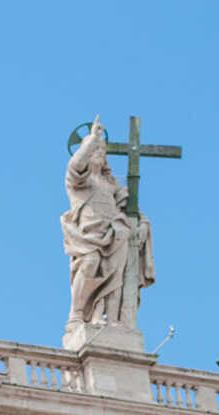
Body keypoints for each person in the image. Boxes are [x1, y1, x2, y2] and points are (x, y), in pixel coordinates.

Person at [61, 120, 153, 333]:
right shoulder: (78, 181)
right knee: (90, 263)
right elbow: (75, 166)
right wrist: (92, 140)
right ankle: (76, 314)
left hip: (114, 235)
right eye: (95, 150)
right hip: (88, 234)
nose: (99, 153)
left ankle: (108, 317)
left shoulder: (110, 184)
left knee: (116, 274)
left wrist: (143, 225)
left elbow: (132, 209)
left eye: (102, 150)